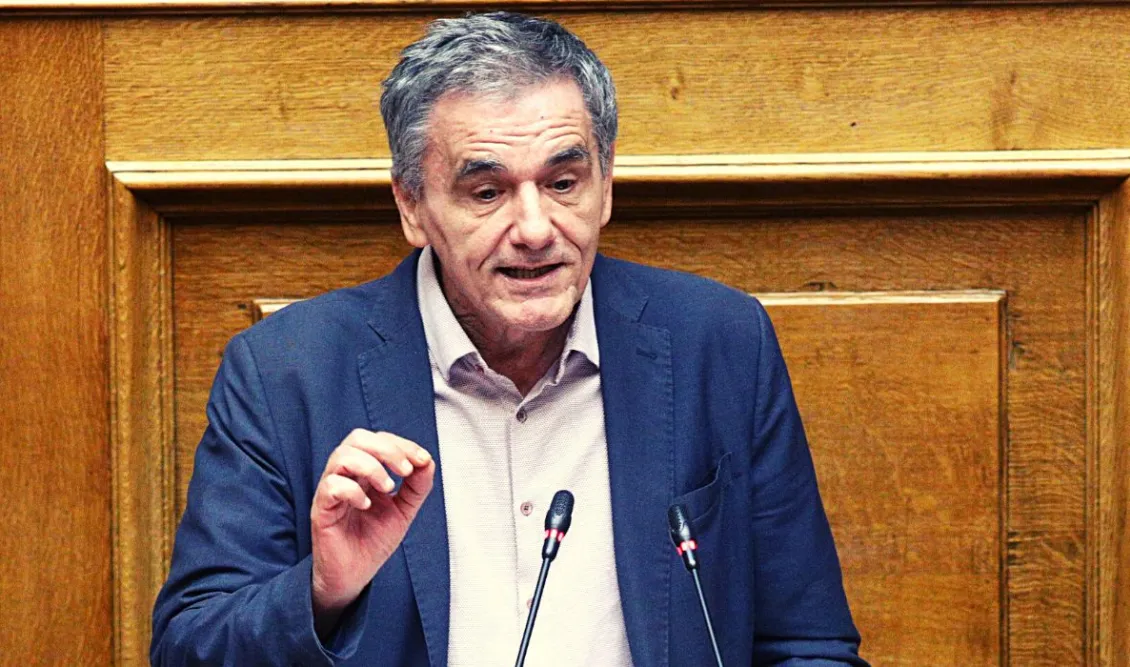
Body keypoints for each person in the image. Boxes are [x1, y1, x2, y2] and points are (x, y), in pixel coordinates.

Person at [151, 11, 867, 666]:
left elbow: (808, 646)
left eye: (564, 182)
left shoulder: (720, 343)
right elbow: (188, 648)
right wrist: (321, 592)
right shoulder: (287, 371)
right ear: (411, 205)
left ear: (607, 184)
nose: (534, 229)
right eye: (487, 192)